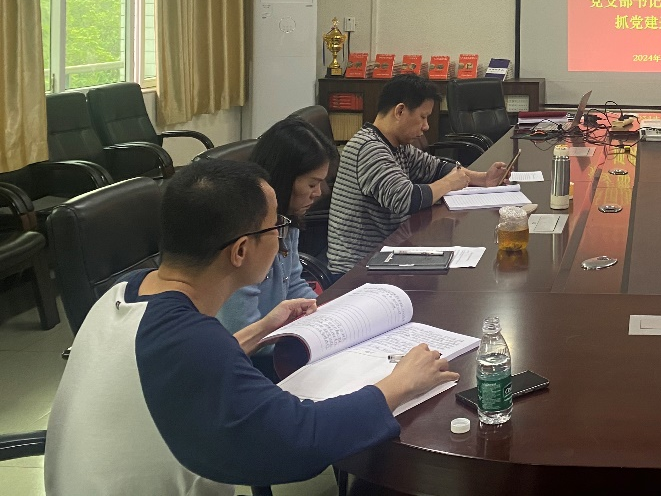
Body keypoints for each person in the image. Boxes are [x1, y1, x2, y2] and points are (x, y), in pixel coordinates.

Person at [45, 159, 459, 496]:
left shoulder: (126, 292)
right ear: (241, 250)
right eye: (276, 227)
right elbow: (299, 439)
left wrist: (262, 328)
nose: (282, 238)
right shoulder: (189, 345)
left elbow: (180, 368)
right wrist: (399, 384)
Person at [327, 74, 509, 274]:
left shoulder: (396, 145)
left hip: (388, 252)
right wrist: (449, 183)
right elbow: (406, 199)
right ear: (400, 111)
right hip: (356, 269)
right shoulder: (369, 148)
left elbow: (436, 168)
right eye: (423, 117)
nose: (426, 126)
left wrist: (483, 179)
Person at [218, 116, 336, 375]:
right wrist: (304, 342)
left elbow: (293, 283)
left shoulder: (287, 219)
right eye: (312, 184)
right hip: (252, 361)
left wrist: (327, 316)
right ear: (285, 179)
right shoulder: (246, 235)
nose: (319, 193)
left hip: (278, 341)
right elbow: (241, 332)